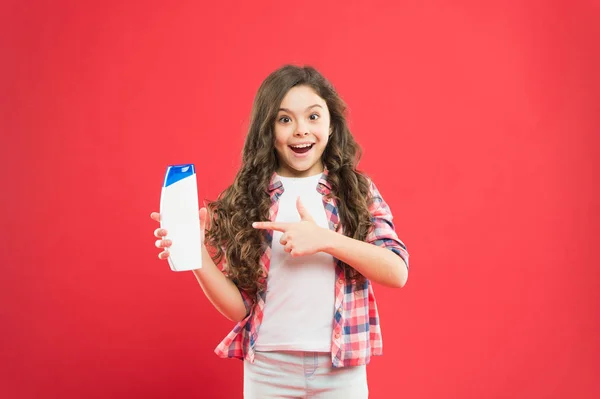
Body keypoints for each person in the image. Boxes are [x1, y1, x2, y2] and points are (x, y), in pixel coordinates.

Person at [151, 65, 409, 398]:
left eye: (313, 117)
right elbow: (239, 308)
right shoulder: (250, 197)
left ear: (331, 125)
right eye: (285, 119)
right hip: (268, 370)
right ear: (268, 131)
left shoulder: (356, 191)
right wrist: (196, 253)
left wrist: (326, 240)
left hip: (340, 369)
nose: (301, 130)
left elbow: (396, 271)